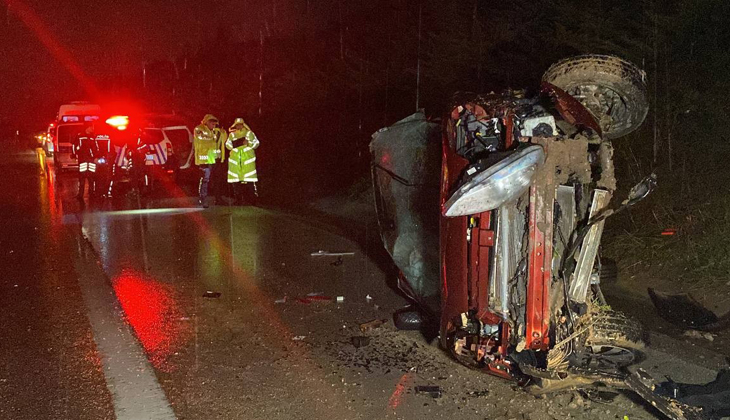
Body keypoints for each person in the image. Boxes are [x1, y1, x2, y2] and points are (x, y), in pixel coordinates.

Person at [193, 114, 226, 207]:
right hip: (204, 160)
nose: (213, 124)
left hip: (215, 159)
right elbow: (202, 140)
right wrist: (212, 136)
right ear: (206, 122)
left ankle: (218, 199)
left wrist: (223, 133)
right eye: (211, 122)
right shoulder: (199, 129)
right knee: (205, 180)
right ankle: (203, 200)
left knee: (217, 180)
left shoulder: (216, 131)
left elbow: (222, 141)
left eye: (215, 123)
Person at [225, 118, 260, 205]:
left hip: (247, 162)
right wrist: (236, 144)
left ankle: (252, 200)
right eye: (237, 125)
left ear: (243, 124)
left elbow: (256, 143)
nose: (238, 126)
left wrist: (248, 143)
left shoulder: (249, 133)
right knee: (236, 182)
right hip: (235, 162)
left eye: (240, 124)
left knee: (249, 182)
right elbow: (228, 145)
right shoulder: (232, 135)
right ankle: (238, 200)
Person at [73, 123, 99, 199]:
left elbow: (95, 148)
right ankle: (80, 194)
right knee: (82, 177)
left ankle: (91, 193)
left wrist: (96, 156)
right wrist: (75, 154)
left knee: (91, 177)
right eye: (91, 127)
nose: (92, 129)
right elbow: (74, 146)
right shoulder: (80, 136)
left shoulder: (92, 137)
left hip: (91, 160)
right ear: (87, 128)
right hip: (83, 160)